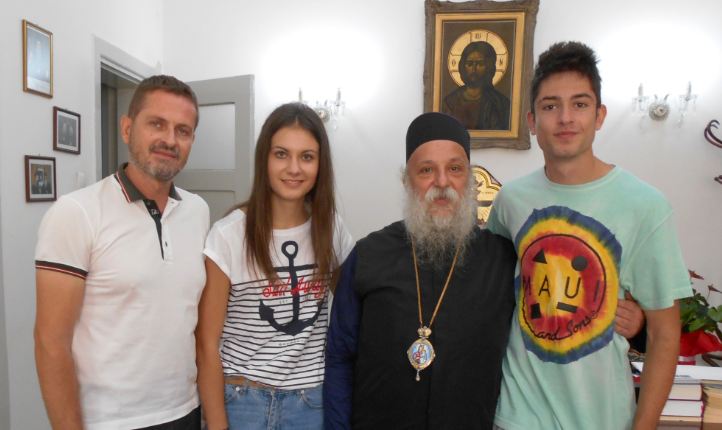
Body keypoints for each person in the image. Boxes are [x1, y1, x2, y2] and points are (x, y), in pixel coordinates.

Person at [487, 41, 691, 430]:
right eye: (550, 106)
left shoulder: (646, 206)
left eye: (579, 104)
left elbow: (665, 334)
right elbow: (493, 294)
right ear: (532, 121)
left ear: (599, 116)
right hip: (516, 416)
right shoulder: (510, 201)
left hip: (601, 416)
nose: (565, 118)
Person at [34, 75, 208, 429]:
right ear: (127, 129)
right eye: (156, 124)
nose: (169, 140)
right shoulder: (77, 213)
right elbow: (50, 342)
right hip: (109, 420)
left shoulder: (199, 211)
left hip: (185, 410)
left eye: (183, 130)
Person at [324, 111, 518, 429]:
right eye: (426, 170)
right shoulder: (368, 255)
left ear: (469, 180)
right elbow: (339, 356)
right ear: (407, 181)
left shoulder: (503, 260)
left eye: (454, 169)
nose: (441, 182)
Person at [196, 102, 354, 430]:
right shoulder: (228, 235)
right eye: (281, 154)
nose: (294, 168)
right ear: (264, 159)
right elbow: (207, 343)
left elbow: (352, 311)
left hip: (310, 404)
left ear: (320, 164)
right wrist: (216, 424)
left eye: (307, 157)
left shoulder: (331, 231)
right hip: (242, 401)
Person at [442, 41, 511, 131]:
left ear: (489, 67)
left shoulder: (500, 103)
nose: (474, 69)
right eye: (469, 64)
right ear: (463, 66)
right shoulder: (450, 102)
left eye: (480, 64)